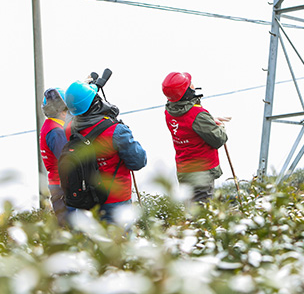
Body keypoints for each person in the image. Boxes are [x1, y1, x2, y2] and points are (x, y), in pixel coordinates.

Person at [63, 80, 147, 223]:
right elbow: (139, 161)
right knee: (120, 237)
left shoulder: (70, 129)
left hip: (86, 202)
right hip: (116, 203)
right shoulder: (115, 130)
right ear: (96, 103)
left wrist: (83, 90)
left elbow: (73, 111)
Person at [162, 72, 227, 203]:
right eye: (190, 84)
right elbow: (219, 139)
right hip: (201, 172)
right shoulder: (198, 115)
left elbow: (188, 125)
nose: (193, 85)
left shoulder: (170, 112)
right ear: (186, 92)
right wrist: (221, 126)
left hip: (184, 170)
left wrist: (208, 121)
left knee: (190, 207)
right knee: (202, 210)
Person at [39, 87, 69, 226]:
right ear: (62, 112)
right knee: (70, 228)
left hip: (57, 184)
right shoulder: (56, 132)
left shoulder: (50, 125)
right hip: (63, 186)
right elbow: (68, 160)